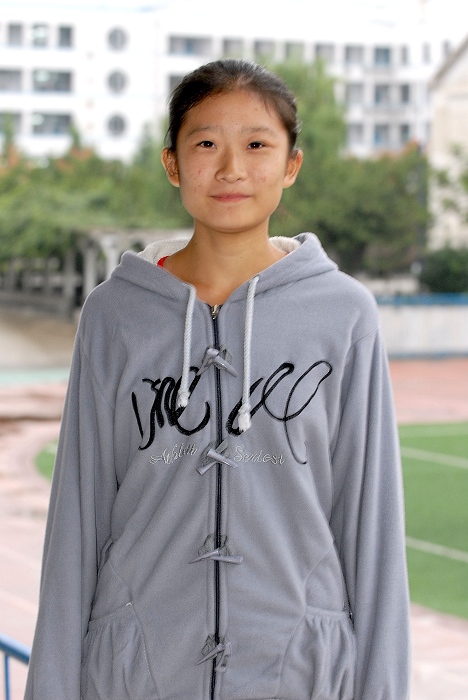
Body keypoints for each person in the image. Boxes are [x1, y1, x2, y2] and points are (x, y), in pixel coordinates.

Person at [25, 59, 410, 700]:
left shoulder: (344, 315)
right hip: (136, 676)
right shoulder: (114, 315)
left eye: (257, 145)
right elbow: (76, 522)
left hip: (303, 676)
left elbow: (373, 528)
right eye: (206, 144)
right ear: (172, 163)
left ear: (292, 164)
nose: (231, 168)